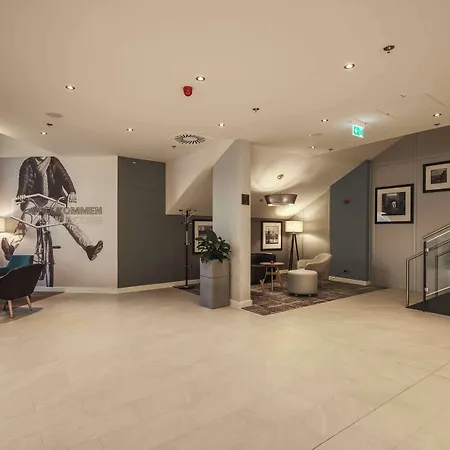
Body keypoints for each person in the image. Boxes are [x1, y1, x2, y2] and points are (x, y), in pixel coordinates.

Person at [1, 156, 103, 261]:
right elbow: (24, 180)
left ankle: (89, 248)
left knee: (68, 221)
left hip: (53, 199)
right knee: (24, 222)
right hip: (35, 199)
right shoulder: (28, 163)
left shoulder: (54, 161)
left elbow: (65, 177)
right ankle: (10, 249)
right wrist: (21, 194)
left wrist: (71, 191)